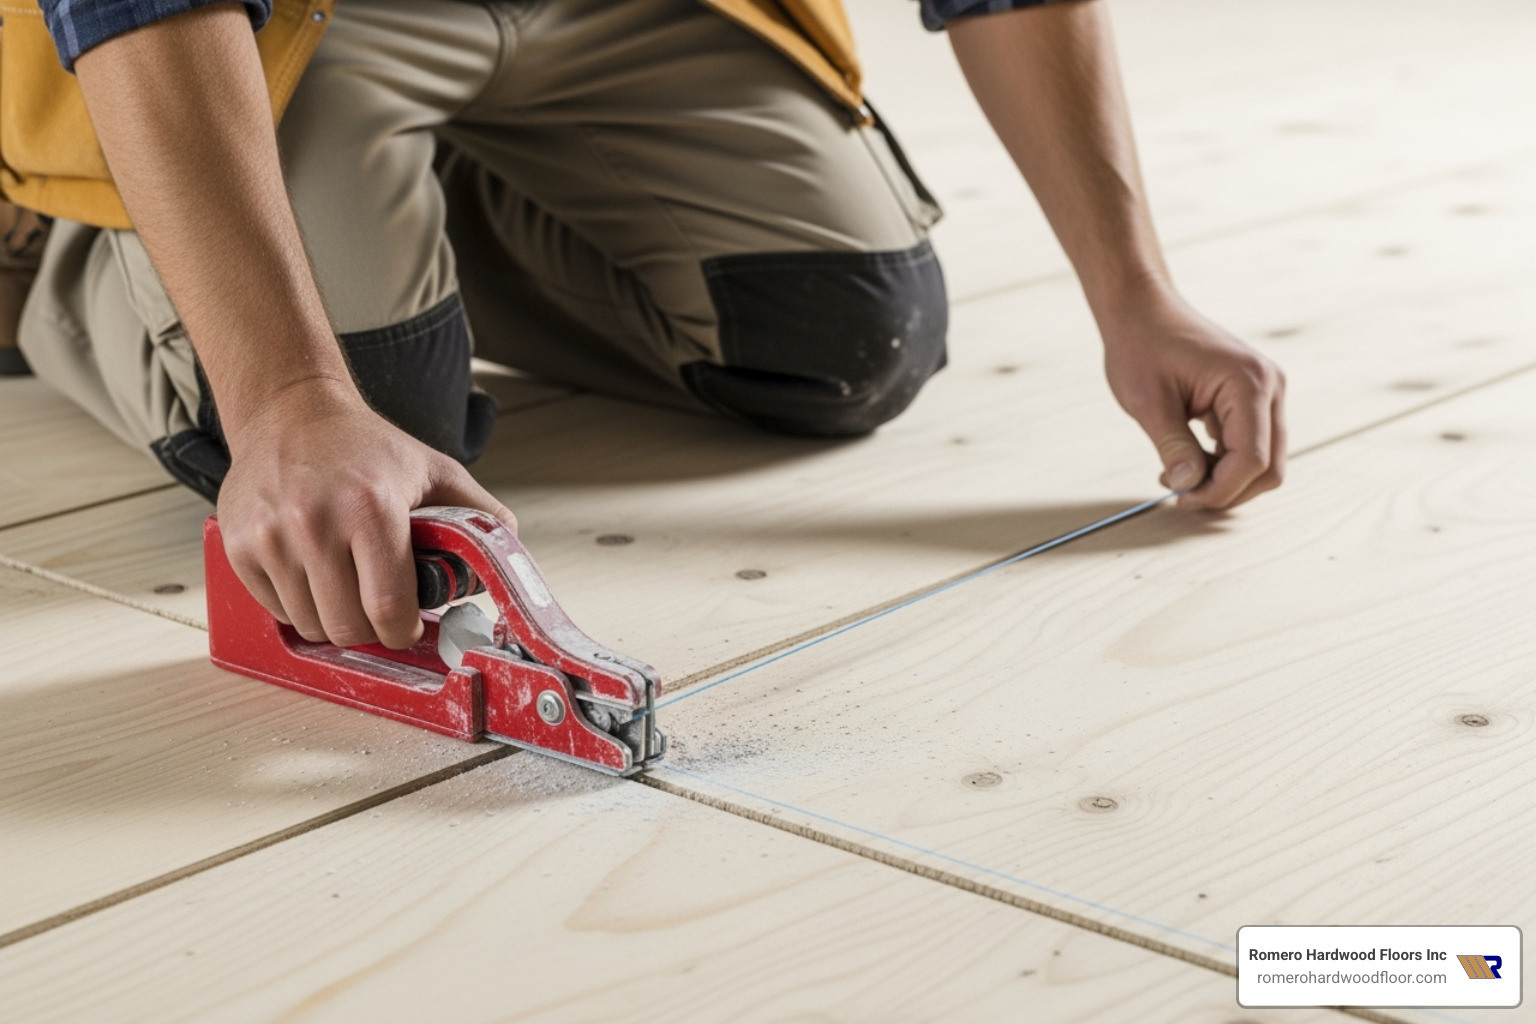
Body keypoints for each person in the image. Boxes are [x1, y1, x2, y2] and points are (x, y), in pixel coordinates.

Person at [5, 0, 1284, 652]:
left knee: (842, 337)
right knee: (368, 437)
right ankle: (51, 253)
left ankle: (397, 208)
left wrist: (1135, 290)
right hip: (271, 22)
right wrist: (288, 394)